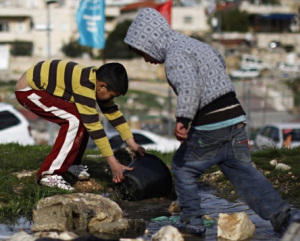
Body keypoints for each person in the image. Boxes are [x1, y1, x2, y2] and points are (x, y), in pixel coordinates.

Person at [124, 7, 300, 236]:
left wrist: (183, 118)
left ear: (151, 42)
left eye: (143, 53)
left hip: (212, 122)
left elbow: (190, 87)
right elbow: (219, 60)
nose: (146, 60)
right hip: (235, 117)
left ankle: (192, 221)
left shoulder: (175, 55)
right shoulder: (196, 44)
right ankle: (284, 216)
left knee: (183, 166)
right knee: (244, 172)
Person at [15, 60, 145, 191]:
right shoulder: (85, 85)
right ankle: (50, 174)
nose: (111, 99)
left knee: (80, 118)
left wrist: (132, 143)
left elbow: (113, 114)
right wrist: (113, 163)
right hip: (28, 91)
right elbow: (94, 126)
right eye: (111, 96)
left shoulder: (96, 81)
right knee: (74, 120)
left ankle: (72, 163)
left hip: (43, 89)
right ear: (102, 86)